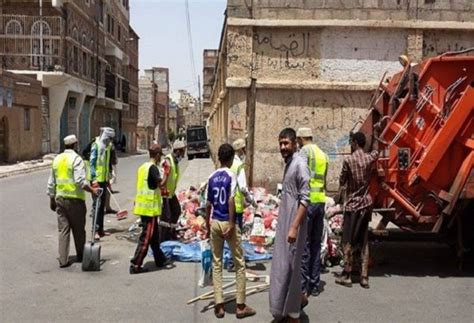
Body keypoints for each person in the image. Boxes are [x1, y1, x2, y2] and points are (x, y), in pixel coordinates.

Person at [205, 144, 256, 319]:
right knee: (239, 263)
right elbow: (231, 200)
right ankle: (240, 306)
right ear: (231, 158)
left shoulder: (211, 177)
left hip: (215, 222)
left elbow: (208, 204)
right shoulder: (231, 176)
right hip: (227, 222)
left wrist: (207, 225)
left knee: (217, 263)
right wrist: (232, 224)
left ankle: (219, 305)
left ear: (219, 158)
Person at [269, 128, 310, 323]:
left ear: (295, 143)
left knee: (292, 269)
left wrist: (294, 226)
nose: (283, 147)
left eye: (286, 143)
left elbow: (305, 199)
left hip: (295, 224)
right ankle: (286, 308)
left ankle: (294, 315)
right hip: (286, 223)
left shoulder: (300, 164)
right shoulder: (289, 163)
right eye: (281, 143)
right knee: (283, 267)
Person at [335, 131, 378, 289]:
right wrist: (377, 133)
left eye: (351, 142)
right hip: (365, 206)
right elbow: (376, 152)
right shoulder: (368, 158)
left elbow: (342, 180)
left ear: (354, 143)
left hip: (352, 206)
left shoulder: (348, 160)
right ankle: (364, 277)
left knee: (348, 241)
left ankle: (347, 274)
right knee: (364, 241)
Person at [47, 135, 98, 268]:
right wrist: (92, 190)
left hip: (60, 199)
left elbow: (51, 183)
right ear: (75, 145)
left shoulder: (57, 159)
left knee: (63, 230)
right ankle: (82, 256)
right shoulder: (76, 159)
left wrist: (51, 199)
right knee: (79, 230)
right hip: (75, 200)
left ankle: (63, 260)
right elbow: (80, 181)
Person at [296, 127, 329, 302]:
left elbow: (299, 175)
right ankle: (315, 284)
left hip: (307, 203)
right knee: (316, 244)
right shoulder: (323, 154)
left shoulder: (304, 152)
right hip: (321, 202)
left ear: (301, 139)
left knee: (305, 245)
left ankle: (303, 286)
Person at [130, 144, 171, 274]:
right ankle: (135, 264)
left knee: (154, 237)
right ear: (157, 155)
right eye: (160, 156)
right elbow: (161, 184)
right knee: (146, 237)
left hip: (143, 207)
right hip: (149, 209)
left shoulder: (142, 167)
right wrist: (167, 173)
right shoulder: (153, 168)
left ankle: (160, 260)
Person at [227, 138, 257, 272]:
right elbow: (243, 188)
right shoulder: (239, 165)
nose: (245, 151)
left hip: (226, 204)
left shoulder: (228, 163)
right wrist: (251, 200)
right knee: (236, 236)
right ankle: (234, 263)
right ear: (240, 150)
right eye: (244, 149)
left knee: (229, 234)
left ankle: (230, 260)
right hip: (237, 206)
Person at [89, 127, 115, 239]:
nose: (110, 140)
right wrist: (94, 180)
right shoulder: (96, 145)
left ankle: (101, 230)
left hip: (104, 180)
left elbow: (107, 162)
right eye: (109, 138)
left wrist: (109, 176)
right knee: (97, 206)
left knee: (102, 206)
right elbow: (92, 163)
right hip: (96, 181)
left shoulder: (108, 147)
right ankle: (94, 231)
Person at [159, 139, 186, 242]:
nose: (183, 155)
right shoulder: (168, 162)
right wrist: (163, 195)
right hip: (165, 194)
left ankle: (171, 232)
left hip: (171, 193)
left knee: (176, 211)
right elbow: (162, 179)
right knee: (165, 218)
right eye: (182, 151)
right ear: (177, 151)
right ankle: (163, 239)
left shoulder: (175, 162)